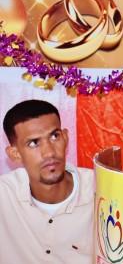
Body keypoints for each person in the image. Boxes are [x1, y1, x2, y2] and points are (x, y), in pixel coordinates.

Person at [0, 99, 94, 263]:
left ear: (65, 138)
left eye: (54, 136)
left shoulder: (100, 190)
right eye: (34, 143)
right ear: (15, 154)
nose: (49, 152)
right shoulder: (5, 194)